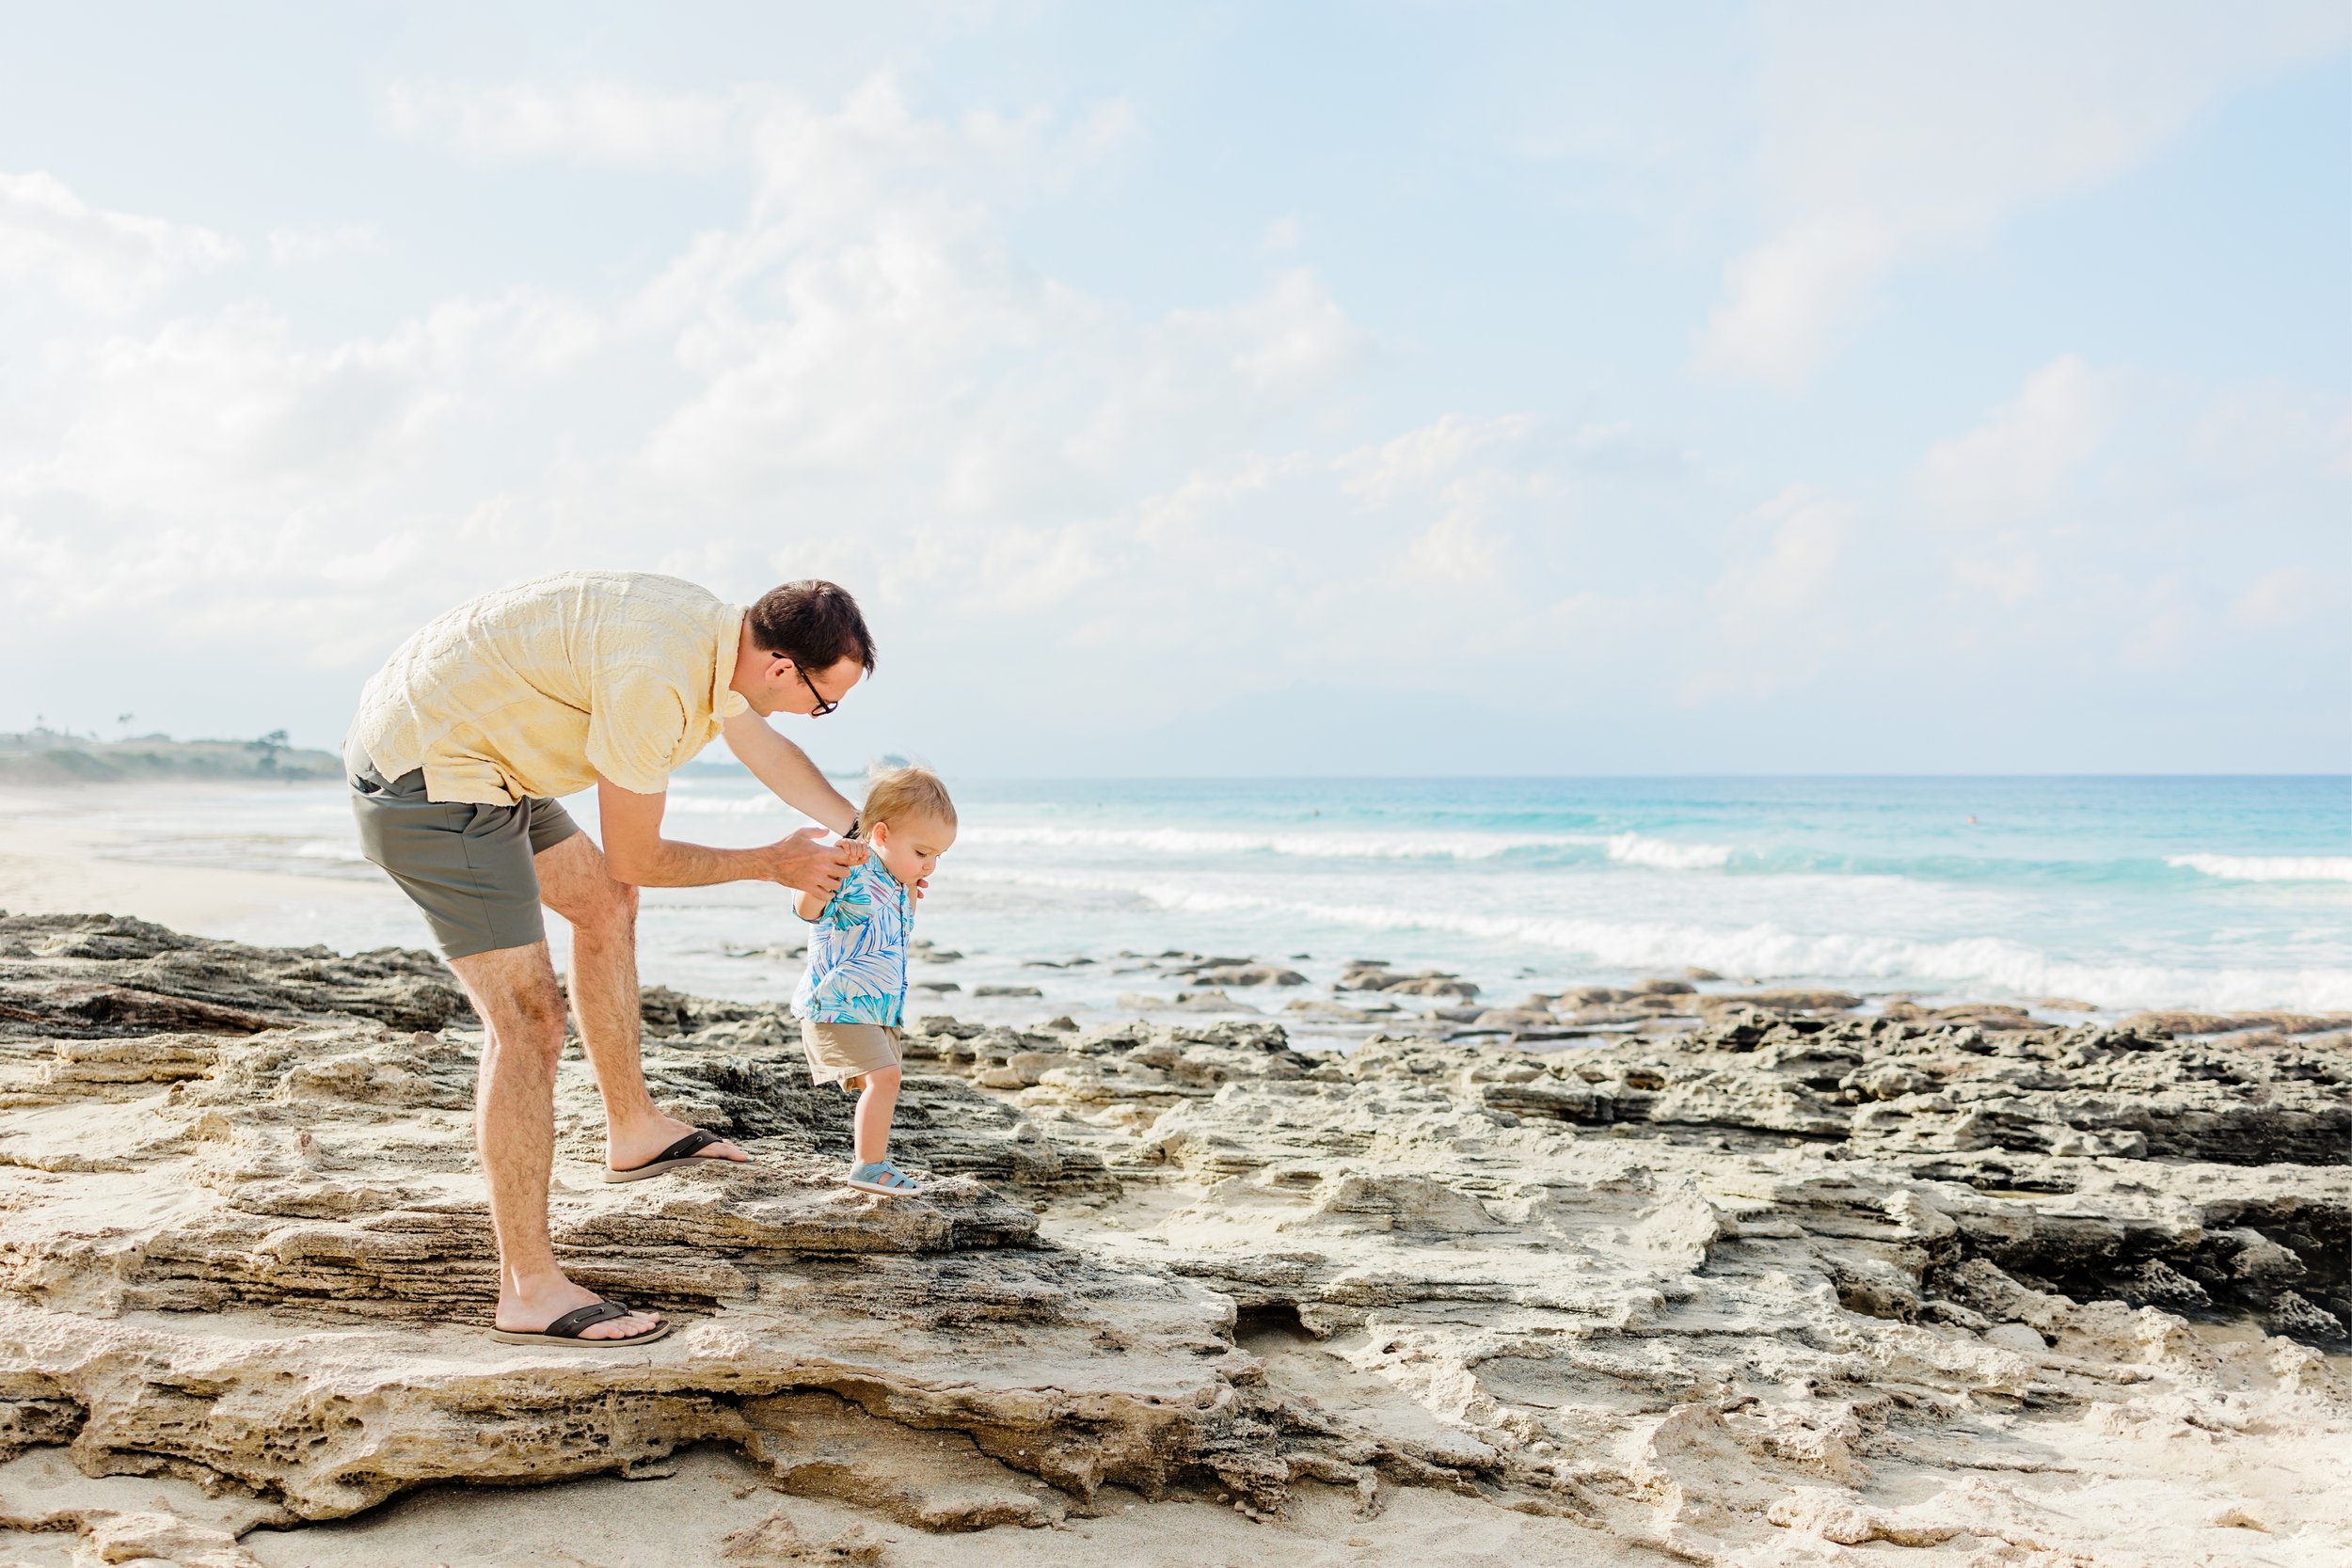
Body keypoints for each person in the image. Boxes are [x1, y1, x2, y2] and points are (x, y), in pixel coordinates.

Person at [346, 571, 878, 1348]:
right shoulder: (655, 680)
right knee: (528, 1023)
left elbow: (762, 745)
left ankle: (631, 1127)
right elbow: (639, 855)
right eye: (826, 701)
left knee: (604, 905)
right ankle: (527, 1287)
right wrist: (773, 861)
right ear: (779, 667)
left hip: (485, 753)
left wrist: (862, 831)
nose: (822, 715)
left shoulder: (719, 636)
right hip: (429, 778)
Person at [791, 767, 957, 1196]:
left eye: (938, 856)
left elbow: (897, 941)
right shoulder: (855, 868)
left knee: (886, 1079)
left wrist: (909, 892)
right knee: (885, 1079)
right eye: (922, 852)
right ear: (880, 835)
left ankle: (872, 1161)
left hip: (879, 1010)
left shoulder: (903, 886)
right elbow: (807, 909)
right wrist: (831, 866)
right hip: (838, 1004)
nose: (930, 865)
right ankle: (868, 1166)